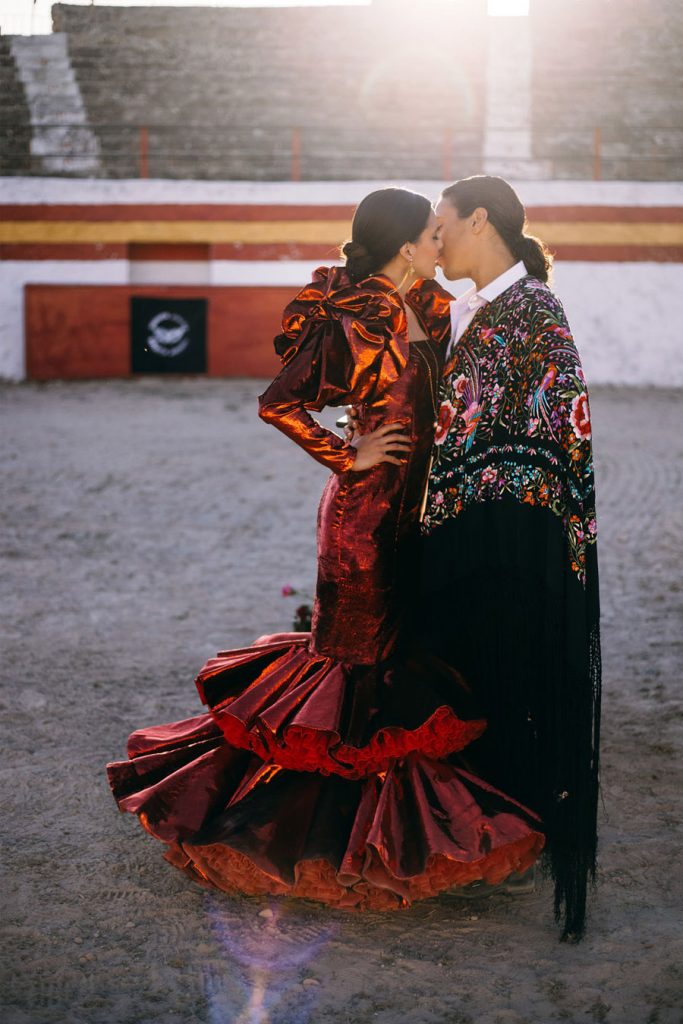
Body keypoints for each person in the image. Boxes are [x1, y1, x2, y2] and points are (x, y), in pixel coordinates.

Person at [107, 187, 544, 910]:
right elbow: (278, 401)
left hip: (416, 515)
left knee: (392, 667)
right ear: (408, 246)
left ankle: (388, 825)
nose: (443, 241)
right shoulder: (354, 316)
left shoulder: (426, 306)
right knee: (355, 672)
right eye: (433, 233)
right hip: (363, 521)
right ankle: (324, 836)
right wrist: (348, 454)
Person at [417, 176, 601, 941]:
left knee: (507, 678)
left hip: (513, 543)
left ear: (479, 220)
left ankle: (509, 834)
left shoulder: (533, 312)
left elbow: (557, 438)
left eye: (441, 227)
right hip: (471, 534)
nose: (435, 241)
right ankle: (483, 835)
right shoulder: (483, 311)